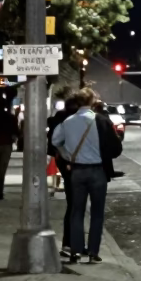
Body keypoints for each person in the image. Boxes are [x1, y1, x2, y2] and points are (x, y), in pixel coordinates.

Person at [51, 88, 107, 263]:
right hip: (97, 170)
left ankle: (75, 250)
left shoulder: (68, 122)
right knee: (97, 213)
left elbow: (55, 141)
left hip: (77, 170)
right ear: (91, 102)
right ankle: (92, 252)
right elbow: (116, 148)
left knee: (77, 211)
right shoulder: (100, 121)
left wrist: (67, 154)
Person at [48, 95, 79, 257]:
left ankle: (70, 243)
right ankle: (72, 244)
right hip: (76, 164)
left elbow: (53, 143)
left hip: (65, 163)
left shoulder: (59, 118)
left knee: (73, 204)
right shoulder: (75, 120)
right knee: (76, 205)